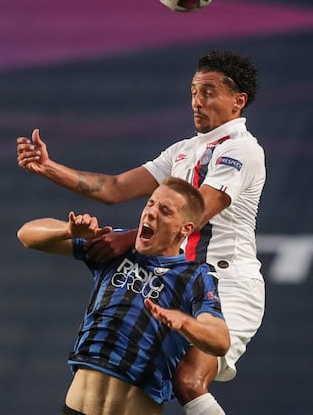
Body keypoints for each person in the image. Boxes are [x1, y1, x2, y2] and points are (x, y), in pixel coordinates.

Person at [17, 49, 266, 415]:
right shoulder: (183, 151)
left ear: (238, 101)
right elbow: (115, 187)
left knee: (187, 380)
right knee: (137, 363)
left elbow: (197, 210)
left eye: (209, 92)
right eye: (194, 91)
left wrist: (129, 237)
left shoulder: (242, 149)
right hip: (171, 275)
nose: (197, 101)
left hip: (224, 278)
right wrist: (49, 167)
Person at [17, 177, 230, 415]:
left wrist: (184, 322)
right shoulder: (115, 249)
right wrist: (66, 231)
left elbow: (220, 341)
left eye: (165, 211)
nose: (150, 213)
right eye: (150, 204)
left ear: (185, 229)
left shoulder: (194, 277)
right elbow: (27, 235)